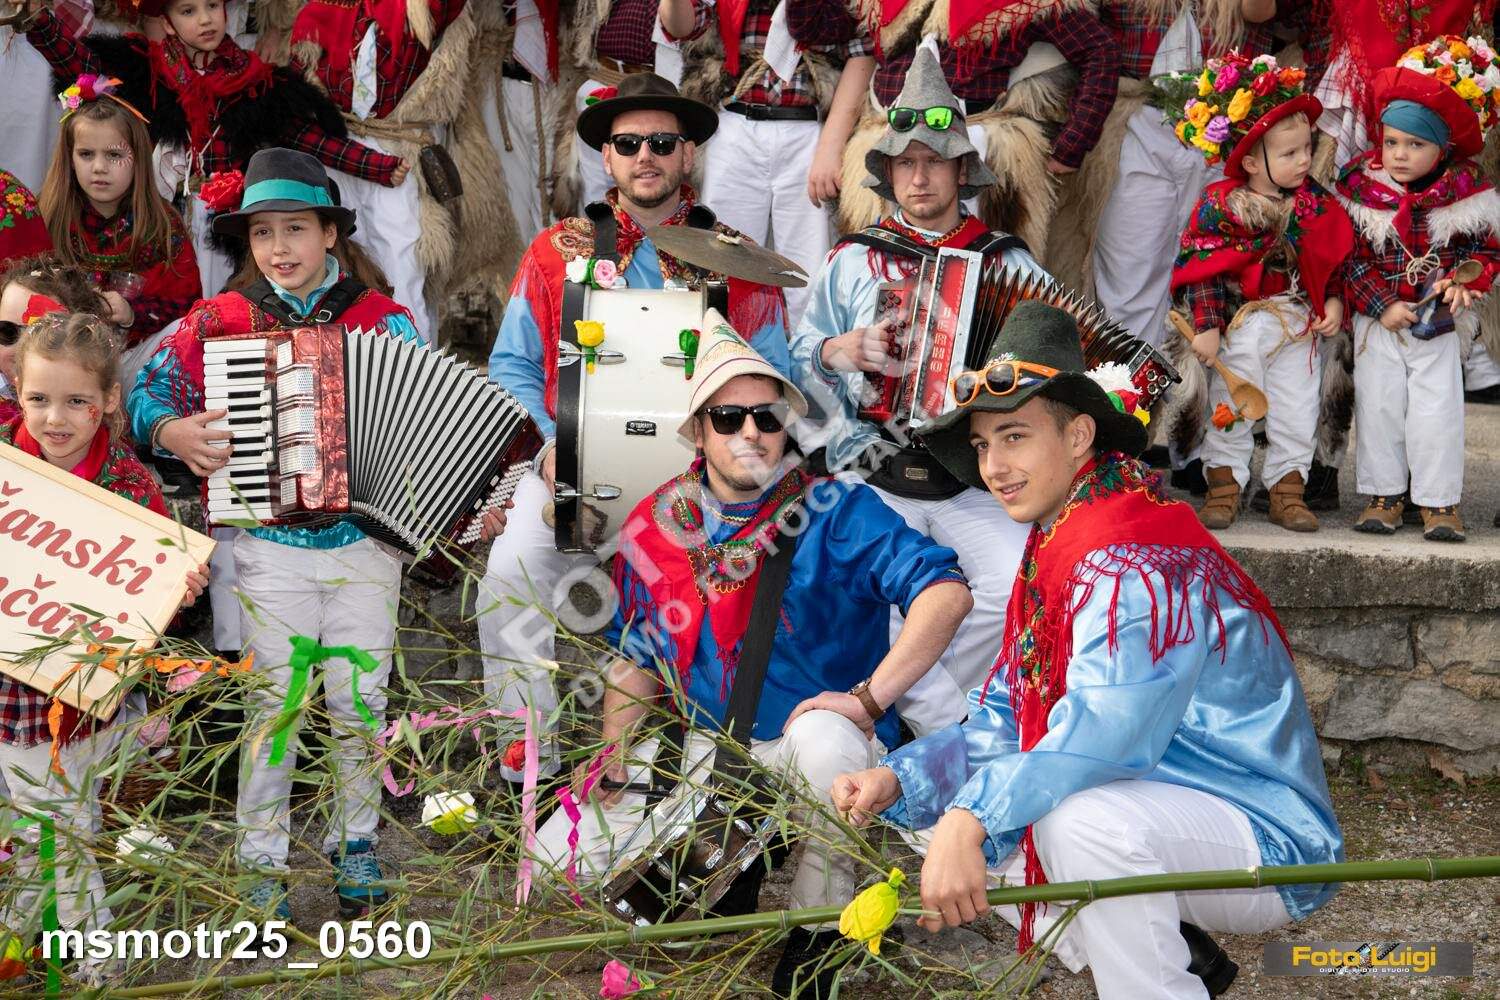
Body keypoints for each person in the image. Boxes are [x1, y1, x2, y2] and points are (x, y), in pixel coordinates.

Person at [832, 300, 1342, 1000]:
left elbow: (1105, 734)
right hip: (1163, 806)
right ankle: (1156, 947)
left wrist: (971, 817)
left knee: (1070, 822)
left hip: (1260, 828)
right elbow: (1005, 718)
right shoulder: (1062, 539)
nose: (994, 467)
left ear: (1078, 435)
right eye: (981, 446)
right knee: (944, 816)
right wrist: (901, 779)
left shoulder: (1130, 553)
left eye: (1014, 437)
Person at [529, 320, 973, 997]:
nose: (750, 432)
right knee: (554, 860)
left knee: (828, 743)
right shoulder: (659, 520)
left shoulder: (836, 510)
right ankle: (748, 850)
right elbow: (636, 655)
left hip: (806, 742)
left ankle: (821, 926)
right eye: (727, 417)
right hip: (708, 752)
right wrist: (613, 756)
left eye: (767, 417)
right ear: (698, 433)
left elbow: (946, 593)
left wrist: (870, 699)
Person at [130, 148, 420, 921]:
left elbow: (424, 419)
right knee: (276, 708)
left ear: (330, 233)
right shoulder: (220, 320)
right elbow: (147, 393)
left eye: (296, 228)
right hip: (268, 548)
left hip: (367, 545)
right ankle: (261, 857)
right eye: (263, 233)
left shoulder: (384, 321)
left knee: (360, 700)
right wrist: (172, 429)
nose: (280, 247)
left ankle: (356, 839)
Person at [481, 73, 793, 783]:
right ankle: (528, 763)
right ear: (608, 158)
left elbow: (773, 380)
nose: (644, 155)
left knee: (730, 590)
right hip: (573, 471)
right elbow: (511, 365)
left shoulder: (742, 261)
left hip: (698, 488)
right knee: (509, 573)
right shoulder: (554, 251)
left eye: (661, 142)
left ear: (688, 154)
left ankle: (703, 768)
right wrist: (553, 445)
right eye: (628, 144)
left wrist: (732, 463)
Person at [790, 43, 1033, 735]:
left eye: (934, 161)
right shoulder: (851, 258)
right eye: (906, 163)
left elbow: (1054, 360)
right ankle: (951, 740)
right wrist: (839, 350)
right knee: (883, 602)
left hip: (970, 474)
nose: (920, 177)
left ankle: (928, 725)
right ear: (889, 174)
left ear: (962, 170)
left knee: (1016, 584)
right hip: (873, 467)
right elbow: (799, 362)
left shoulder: (1008, 263)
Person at [0, 312, 206, 988]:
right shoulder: (4, 463)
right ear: (17, 392)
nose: (54, 418)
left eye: (76, 401)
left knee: (58, 822)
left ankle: (82, 951)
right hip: (8, 686)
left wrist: (177, 585)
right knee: (41, 819)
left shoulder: (129, 484)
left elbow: (149, 598)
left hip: (80, 692)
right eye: (38, 398)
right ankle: (32, 935)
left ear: (109, 400)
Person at [20, 0, 409, 299]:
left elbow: (306, 136)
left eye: (212, 6)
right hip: (164, 218)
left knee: (231, 304)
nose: (205, 19)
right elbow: (80, 64)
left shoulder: (255, 79)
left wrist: (377, 166)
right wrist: (40, 22)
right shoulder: (147, 70)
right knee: (171, 306)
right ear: (167, 21)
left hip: (229, 226)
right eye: (188, 11)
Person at [1165, 53, 1353, 533]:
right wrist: (1207, 327)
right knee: (1232, 402)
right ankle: (1224, 486)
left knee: (1297, 408)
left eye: (1307, 149)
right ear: (1250, 161)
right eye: (1289, 154)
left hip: (1297, 323)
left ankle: (1287, 490)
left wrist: (1333, 300)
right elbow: (1203, 268)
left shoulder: (1315, 205)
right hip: (1243, 322)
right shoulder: (1221, 207)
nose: (1304, 160)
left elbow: (1331, 260)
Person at [1338, 38, 1500, 543]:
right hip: (1380, 322)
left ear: (1442, 149)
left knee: (1438, 409)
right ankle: (1383, 495)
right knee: (1379, 404)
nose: (1400, 155)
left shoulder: (1464, 195)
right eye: (1392, 143)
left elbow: (1487, 250)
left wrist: (1467, 279)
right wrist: (1381, 305)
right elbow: (1349, 261)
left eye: (1415, 145)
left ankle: (1439, 501)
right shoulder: (1361, 192)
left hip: (1438, 321)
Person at [291, 0, 509, 342]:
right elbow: (296, 98)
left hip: (397, 149)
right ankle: (346, 362)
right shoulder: (321, 11)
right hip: (337, 152)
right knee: (339, 265)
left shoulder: (418, 10)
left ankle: (414, 365)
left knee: (402, 264)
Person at [825, 2, 1120, 252]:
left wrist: (1072, 145)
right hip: (891, 142)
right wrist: (831, 146)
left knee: (981, 271)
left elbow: (1098, 50)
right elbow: (826, 31)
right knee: (884, 268)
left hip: (975, 145)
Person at [670, 0, 874, 323]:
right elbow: (683, 25)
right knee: (721, 260)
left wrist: (831, 144)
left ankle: (810, 353)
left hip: (809, 130)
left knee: (809, 269)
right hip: (735, 124)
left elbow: (863, 48)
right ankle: (719, 346)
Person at [38, 75, 201, 380]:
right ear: (69, 158)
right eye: (86, 154)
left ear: (137, 158)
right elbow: (26, 296)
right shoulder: (49, 218)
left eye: (114, 155)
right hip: (59, 360)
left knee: (184, 332)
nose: (99, 167)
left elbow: (187, 307)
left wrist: (131, 312)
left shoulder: (162, 225)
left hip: (135, 362)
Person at [550, 0, 713, 215]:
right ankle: (600, 234)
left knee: (658, 186)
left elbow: (685, 27)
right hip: (602, 85)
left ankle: (657, 237)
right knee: (596, 189)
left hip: (659, 95)